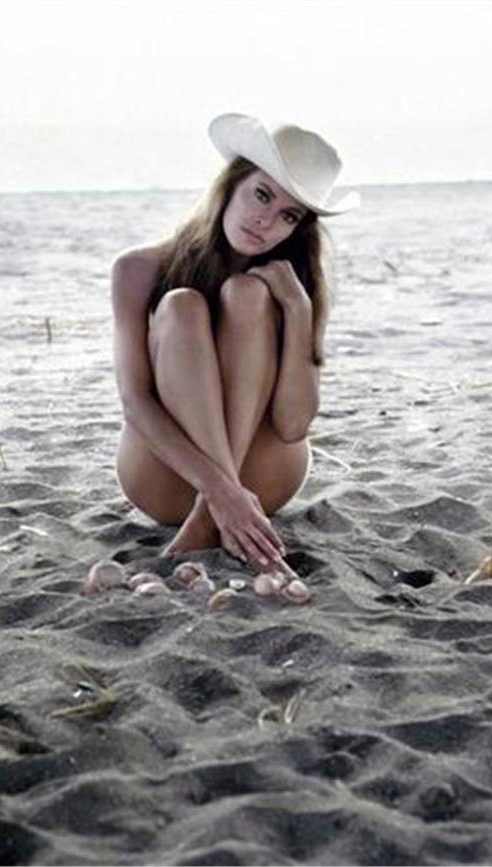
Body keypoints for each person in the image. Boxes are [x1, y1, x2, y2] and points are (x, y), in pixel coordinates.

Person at [111, 112, 359, 575]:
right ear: (231, 185)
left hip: (264, 480)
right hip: (165, 476)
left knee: (246, 294)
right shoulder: (137, 270)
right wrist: (223, 493)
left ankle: (209, 518)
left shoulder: (290, 285)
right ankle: (217, 507)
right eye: (261, 194)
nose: (266, 221)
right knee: (181, 306)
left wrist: (298, 310)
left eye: (288, 215)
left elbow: (292, 425)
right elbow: (134, 400)